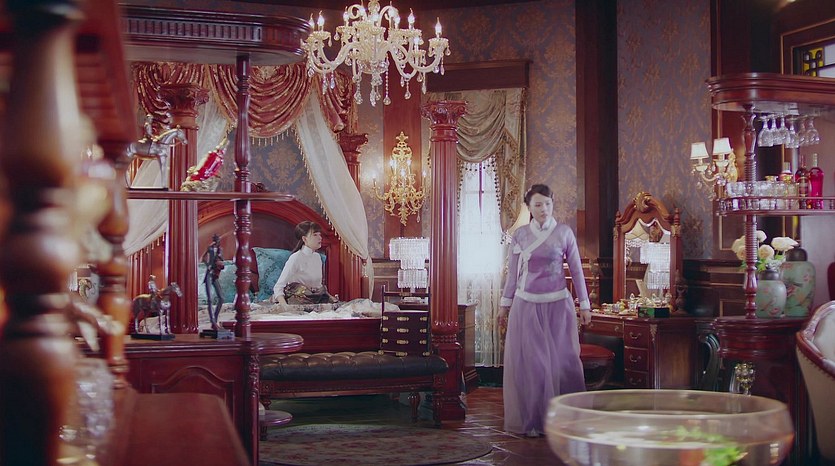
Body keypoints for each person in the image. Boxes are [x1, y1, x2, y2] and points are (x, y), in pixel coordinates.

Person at [497, 183, 592, 438]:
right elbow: (513, 275)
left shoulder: (564, 233)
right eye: (538, 204)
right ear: (529, 207)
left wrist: (584, 305)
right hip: (526, 305)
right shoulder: (520, 235)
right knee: (535, 366)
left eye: (547, 204)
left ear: (552, 205)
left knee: (565, 363)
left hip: (558, 306)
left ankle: (567, 421)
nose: (543, 209)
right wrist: (504, 305)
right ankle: (534, 421)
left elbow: (577, 271)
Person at [271, 221, 334, 305]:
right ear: (304, 239)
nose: (320, 238)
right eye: (315, 235)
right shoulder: (296, 257)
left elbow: (318, 286)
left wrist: (330, 297)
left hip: (315, 299)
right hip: (296, 300)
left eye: (320, 234)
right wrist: (285, 306)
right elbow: (278, 286)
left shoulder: (317, 257)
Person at [202, 234, 225, 329]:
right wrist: (208, 265)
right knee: (210, 299)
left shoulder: (220, 249)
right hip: (209, 273)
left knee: (221, 298)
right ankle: (213, 322)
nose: (217, 241)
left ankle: (215, 319)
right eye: (215, 239)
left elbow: (222, 260)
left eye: (218, 239)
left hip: (215, 274)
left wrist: (219, 261)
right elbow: (203, 258)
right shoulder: (210, 248)